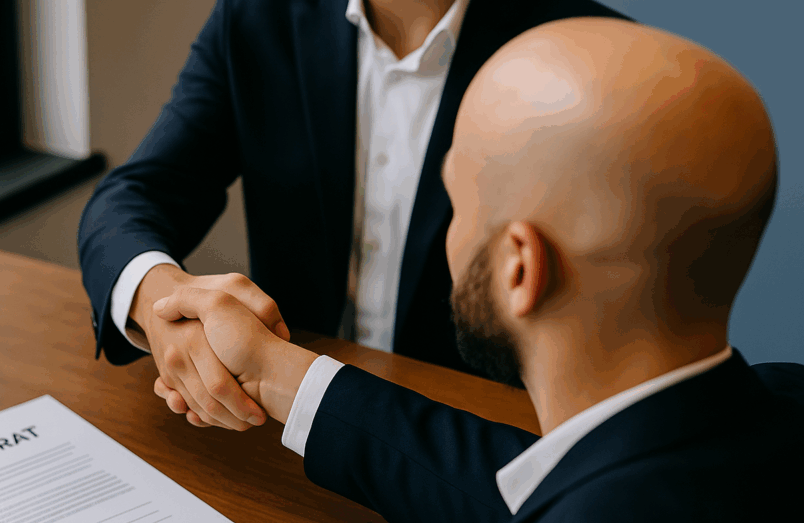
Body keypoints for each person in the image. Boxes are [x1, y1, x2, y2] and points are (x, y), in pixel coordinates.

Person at [150, 17, 802, 523]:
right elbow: (542, 490)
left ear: (521, 269)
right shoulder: (781, 405)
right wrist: (271, 369)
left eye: (458, 199)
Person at [78, 0, 628, 432]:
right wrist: (158, 299)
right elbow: (135, 193)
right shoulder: (255, 14)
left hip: (470, 437)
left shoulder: (584, 52)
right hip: (277, 418)